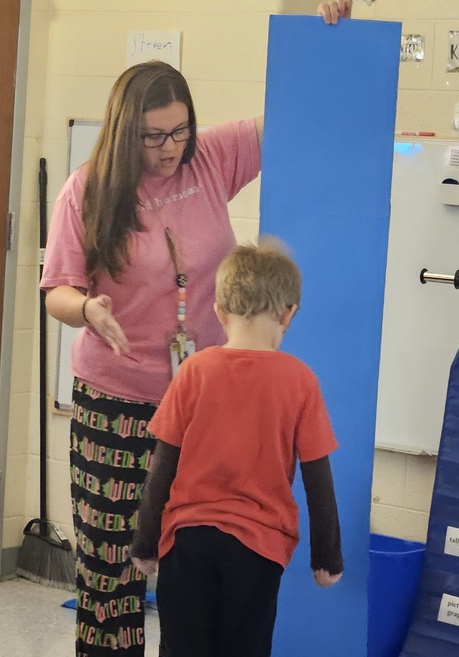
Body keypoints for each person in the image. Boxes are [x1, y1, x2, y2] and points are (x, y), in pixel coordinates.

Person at [41, 0, 351, 656]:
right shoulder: (88, 190)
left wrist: (326, 38)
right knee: (113, 567)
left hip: (207, 402)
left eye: (179, 131)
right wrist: (89, 309)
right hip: (119, 401)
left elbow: (292, 114)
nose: (170, 147)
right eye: (154, 136)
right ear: (126, 131)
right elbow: (57, 292)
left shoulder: (209, 159)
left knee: (203, 562)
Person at [130, 240, 343, 657]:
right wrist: (327, 557)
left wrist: (145, 542)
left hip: (186, 543)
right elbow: (319, 477)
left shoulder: (194, 371)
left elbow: (163, 467)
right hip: (257, 550)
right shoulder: (300, 380)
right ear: (288, 314)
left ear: (219, 311)